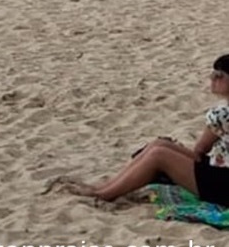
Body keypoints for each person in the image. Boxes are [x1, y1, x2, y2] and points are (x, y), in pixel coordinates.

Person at [53, 56, 229, 205]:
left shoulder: (222, 113)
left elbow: (200, 150)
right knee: (160, 144)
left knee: (159, 154)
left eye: (218, 76)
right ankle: (106, 186)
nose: (212, 79)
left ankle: (104, 194)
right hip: (220, 168)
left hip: (221, 183)